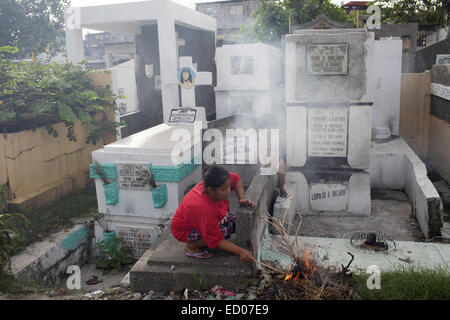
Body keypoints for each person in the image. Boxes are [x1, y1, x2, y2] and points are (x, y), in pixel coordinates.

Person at [171, 165, 255, 261]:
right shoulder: (204, 208)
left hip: (204, 220)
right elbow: (216, 240)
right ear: (210, 190)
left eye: (228, 187)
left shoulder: (220, 181)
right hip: (185, 230)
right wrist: (241, 251)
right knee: (223, 231)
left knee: (237, 222)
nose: (228, 191)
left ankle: (204, 239)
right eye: (223, 189)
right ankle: (192, 246)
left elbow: (236, 179)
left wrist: (242, 199)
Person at [258, 114, 289, 198]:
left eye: (271, 126)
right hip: (263, 159)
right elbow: (258, 151)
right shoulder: (259, 136)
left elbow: (278, 153)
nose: (269, 129)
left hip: (274, 158)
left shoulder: (276, 136)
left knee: (281, 164)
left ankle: (281, 188)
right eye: (267, 126)